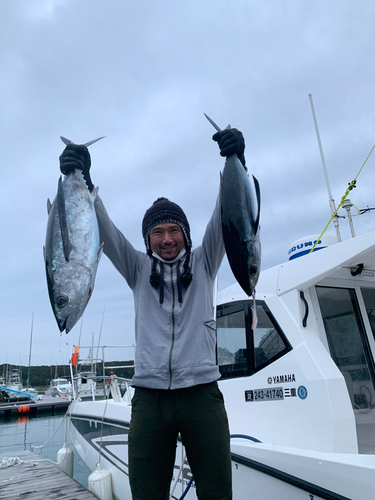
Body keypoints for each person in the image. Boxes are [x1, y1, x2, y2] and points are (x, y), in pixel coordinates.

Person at [59, 126, 246, 500]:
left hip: (202, 396)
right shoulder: (137, 269)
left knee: (218, 494)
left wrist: (237, 159)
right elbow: (107, 233)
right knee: (145, 493)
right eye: (157, 231)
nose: (166, 239)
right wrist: (84, 179)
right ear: (147, 239)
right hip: (149, 399)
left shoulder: (206, 261)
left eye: (173, 230)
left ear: (186, 235)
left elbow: (226, 212)